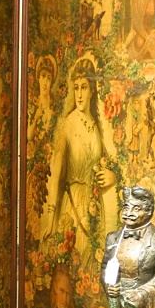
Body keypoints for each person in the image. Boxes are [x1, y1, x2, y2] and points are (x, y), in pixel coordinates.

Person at [41, 57, 116, 258]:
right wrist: (51, 215)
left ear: (92, 90)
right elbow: (56, 174)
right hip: (72, 205)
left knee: (93, 261)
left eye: (84, 88)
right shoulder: (68, 124)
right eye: (76, 88)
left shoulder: (97, 127)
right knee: (76, 258)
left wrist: (112, 176)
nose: (80, 95)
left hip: (94, 205)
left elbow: (107, 162)